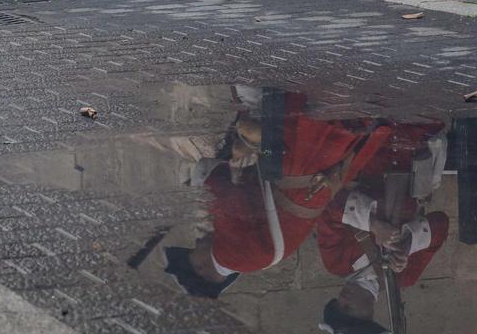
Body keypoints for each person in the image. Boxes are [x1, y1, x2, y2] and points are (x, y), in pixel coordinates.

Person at [164, 89, 394, 298]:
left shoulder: (246, 261)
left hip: (311, 177)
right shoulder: (229, 257)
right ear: (202, 269)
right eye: (193, 251)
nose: (197, 242)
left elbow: (247, 199)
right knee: (249, 91)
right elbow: (222, 193)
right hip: (300, 166)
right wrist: (201, 181)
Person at [316, 122, 450, 332]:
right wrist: (408, 244)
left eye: (339, 305)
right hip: (418, 145)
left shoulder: (336, 263)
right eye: (348, 309)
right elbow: (441, 224)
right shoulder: (404, 277)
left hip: (370, 144)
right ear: (368, 315)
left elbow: (327, 211)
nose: (343, 300)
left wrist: (372, 224)